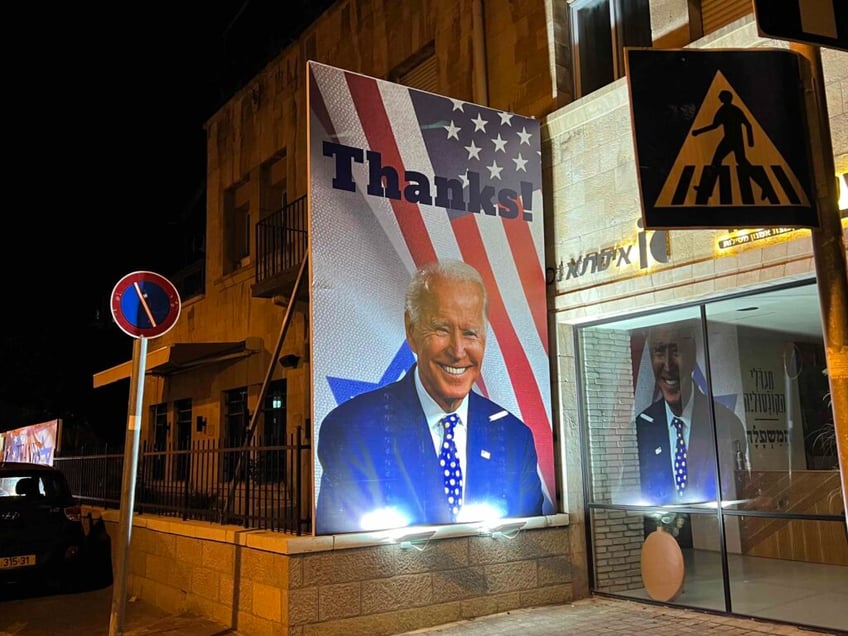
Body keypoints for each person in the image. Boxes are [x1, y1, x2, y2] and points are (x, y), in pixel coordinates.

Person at [316, 259, 545, 535]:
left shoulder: (514, 438)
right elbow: (344, 554)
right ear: (412, 331)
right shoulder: (352, 431)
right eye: (442, 329)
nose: (458, 351)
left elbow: (527, 546)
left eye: (470, 333)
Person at [636, 320, 748, 507]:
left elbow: (737, 496)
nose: (668, 365)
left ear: (692, 351)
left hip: (712, 533)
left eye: (675, 351)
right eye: (659, 352)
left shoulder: (726, 424)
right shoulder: (640, 431)